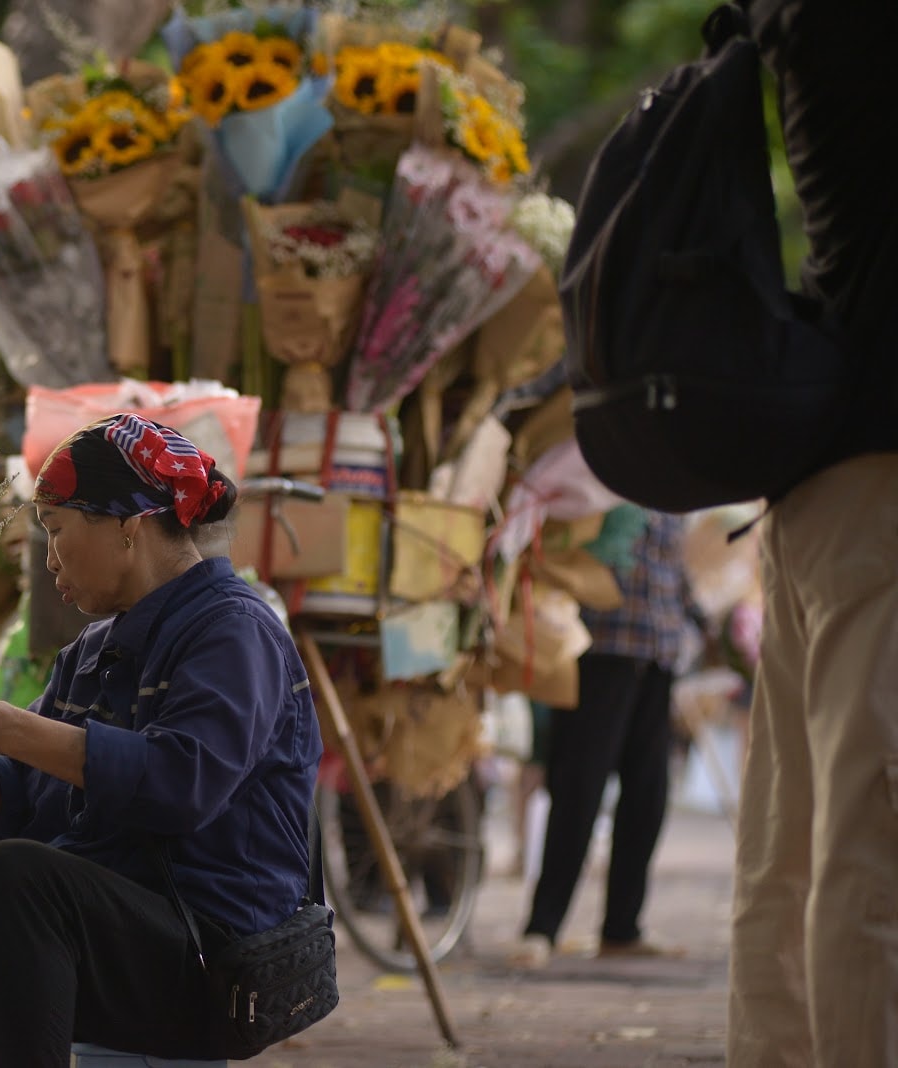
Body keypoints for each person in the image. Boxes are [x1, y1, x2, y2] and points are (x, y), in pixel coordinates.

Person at [0, 414, 323, 1067]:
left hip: (214, 954)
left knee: (18, 878)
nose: (46, 558)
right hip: (107, 929)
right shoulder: (93, 650)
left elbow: (179, 785)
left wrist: (11, 727)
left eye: (55, 530)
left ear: (128, 525)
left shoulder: (234, 632)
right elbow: (24, 792)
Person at [727, 3, 898, 1063]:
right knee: (860, 842)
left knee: (785, 845)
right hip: (875, 491)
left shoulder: (807, 27)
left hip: (822, 483)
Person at [511, 507, 691, 968]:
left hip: (658, 650)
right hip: (600, 649)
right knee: (578, 792)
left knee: (648, 797)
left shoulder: (678, 486)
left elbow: (673, 567)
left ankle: (622, 928)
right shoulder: (601, 470)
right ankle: (542, 928)